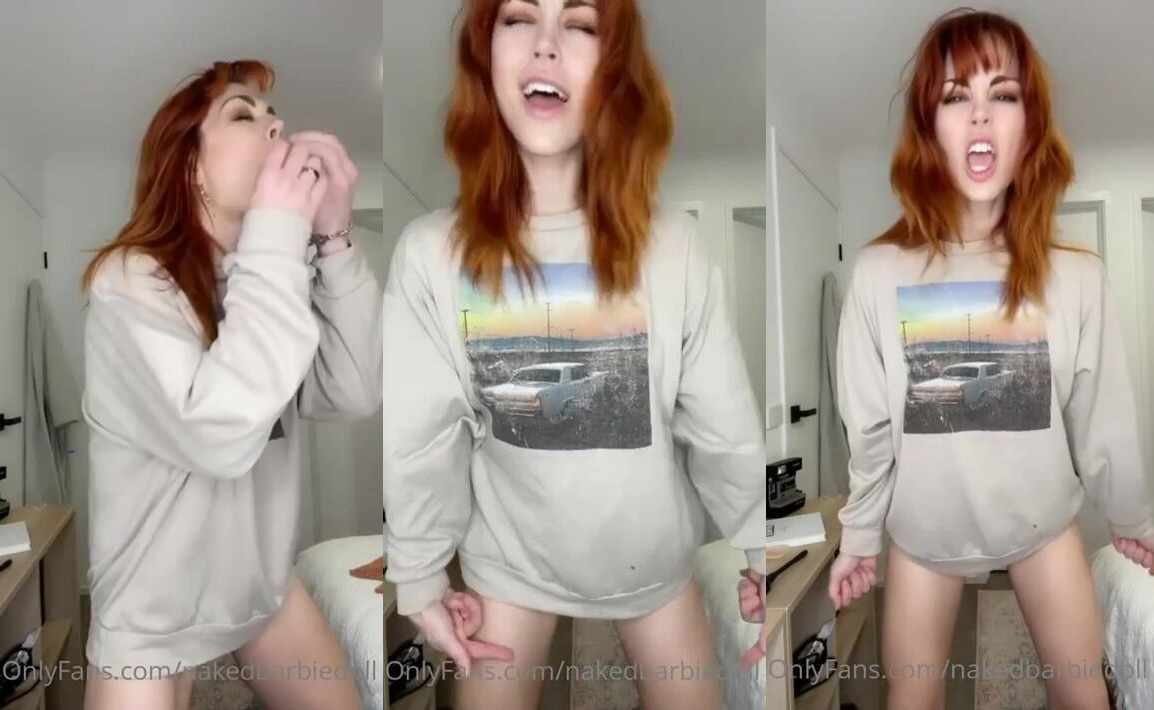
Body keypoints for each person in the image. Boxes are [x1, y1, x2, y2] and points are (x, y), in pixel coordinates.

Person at [380, 0, 766, 708]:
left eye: (581, 23)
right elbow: (422, 440)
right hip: (508, 568)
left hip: (653, 567)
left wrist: (761, 547)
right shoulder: (430, 253)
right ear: (485, 52)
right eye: (519, 17)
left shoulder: (674, 247)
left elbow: (724, 427)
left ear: (614, 67)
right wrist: (419, 575)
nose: (547, 44)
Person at [828, 10, 1154, 709]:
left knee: (1086, 699)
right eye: (955, 96)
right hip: (923, 537)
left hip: (1042, 527)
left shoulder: (1077, 275)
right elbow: (871, 429)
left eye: (1002, 94)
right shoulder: (879, 273)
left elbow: (1102, 418)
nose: (980, 115)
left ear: (1029, 125)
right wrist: (859, 536)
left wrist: (1135, 520)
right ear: (929, 126)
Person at [80, 60, 382, 710]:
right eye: (244, 115)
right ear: (190, 166)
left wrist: (333, 239)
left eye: (275, 117)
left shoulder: (274, 274)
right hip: (150, 617)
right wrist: (277, 236)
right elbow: (219, 435)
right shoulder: (130, 282)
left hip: (259, 589)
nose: (276, 127)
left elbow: (352, 393)